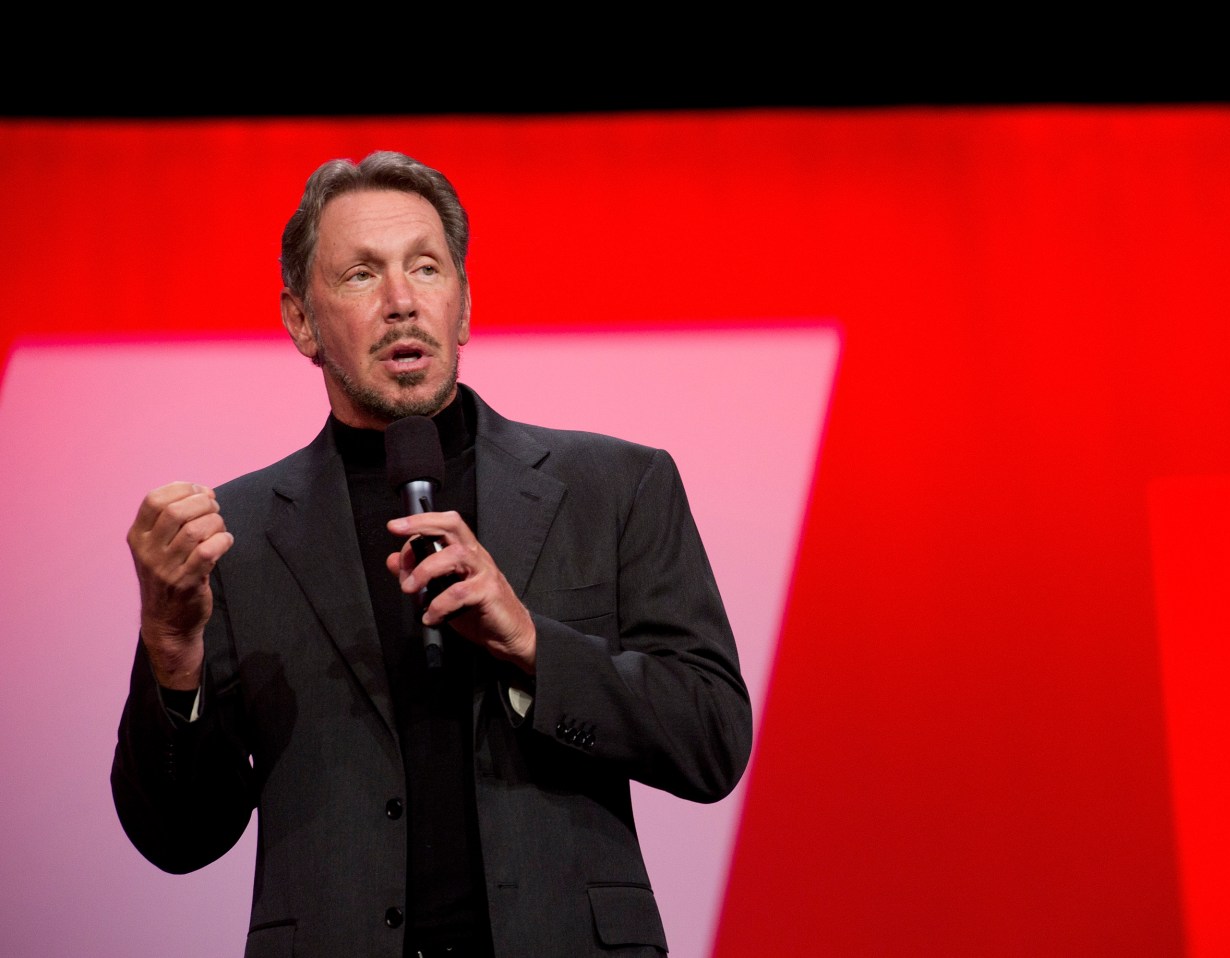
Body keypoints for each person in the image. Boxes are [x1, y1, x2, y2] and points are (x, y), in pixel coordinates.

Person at [111, 150, 752, 958]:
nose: (402, 301)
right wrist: (172, 653)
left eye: (425, 267)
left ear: (464, 304)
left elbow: (712, 738)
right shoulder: (235, 534)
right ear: (301, 322)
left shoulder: (616, 488)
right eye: (361, 275)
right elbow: (179, 838)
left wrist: (531, 644)